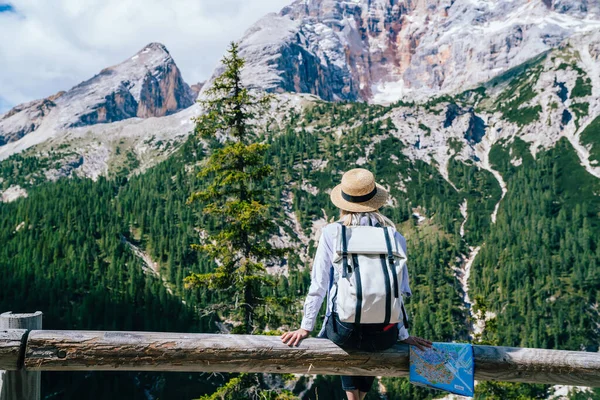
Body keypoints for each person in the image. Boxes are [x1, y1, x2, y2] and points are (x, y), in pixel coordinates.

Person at [281, 168, 432, 400]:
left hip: (345, 333)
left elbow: (319, 284)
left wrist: (305, 327)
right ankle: (358, 397)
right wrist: (402, 333)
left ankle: (353, 398)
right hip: (385, 333)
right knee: (372, 328)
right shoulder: (393, 237)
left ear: (343, 202)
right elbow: (399, 291)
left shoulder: (333, 233)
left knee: (346, 321)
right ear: (375, 202)